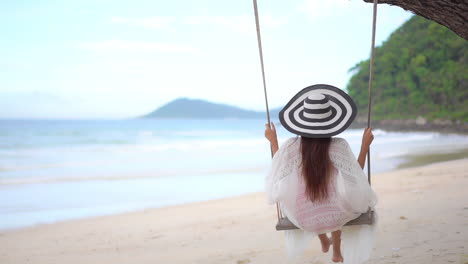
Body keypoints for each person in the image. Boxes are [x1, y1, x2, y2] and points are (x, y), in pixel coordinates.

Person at [264, 84, 377, 263]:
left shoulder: (292, 147)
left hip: (304, 218)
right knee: (337, 201)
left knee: (312, 200)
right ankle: (336, 251)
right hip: (336, 214)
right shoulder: (339, 146)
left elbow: (279, 169)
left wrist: (273, 141)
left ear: (302, 121)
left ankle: (324, 241)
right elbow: (357, 173)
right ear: (331, 121)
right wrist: (364, 146)